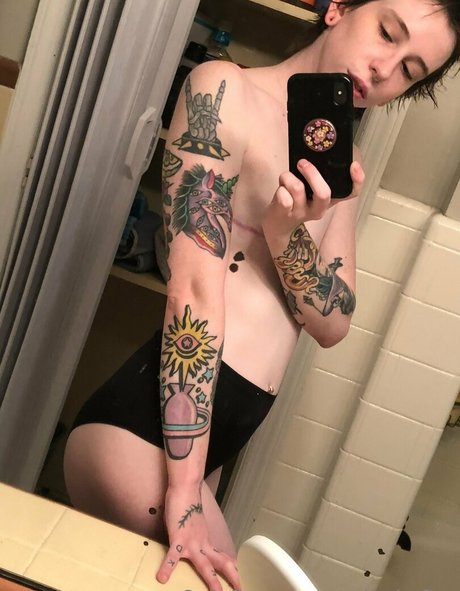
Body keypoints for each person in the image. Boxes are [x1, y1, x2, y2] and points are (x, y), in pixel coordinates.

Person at [63, 1, 460, 590]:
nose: (384, 69)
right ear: (338, 8)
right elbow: (193, 292)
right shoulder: (225, 91)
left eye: (409, 70)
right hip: (143, 436)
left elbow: (333, 322)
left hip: (202, 451)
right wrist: (185, 494)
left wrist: (284, 232)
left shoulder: (341, 163)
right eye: (386, 33)